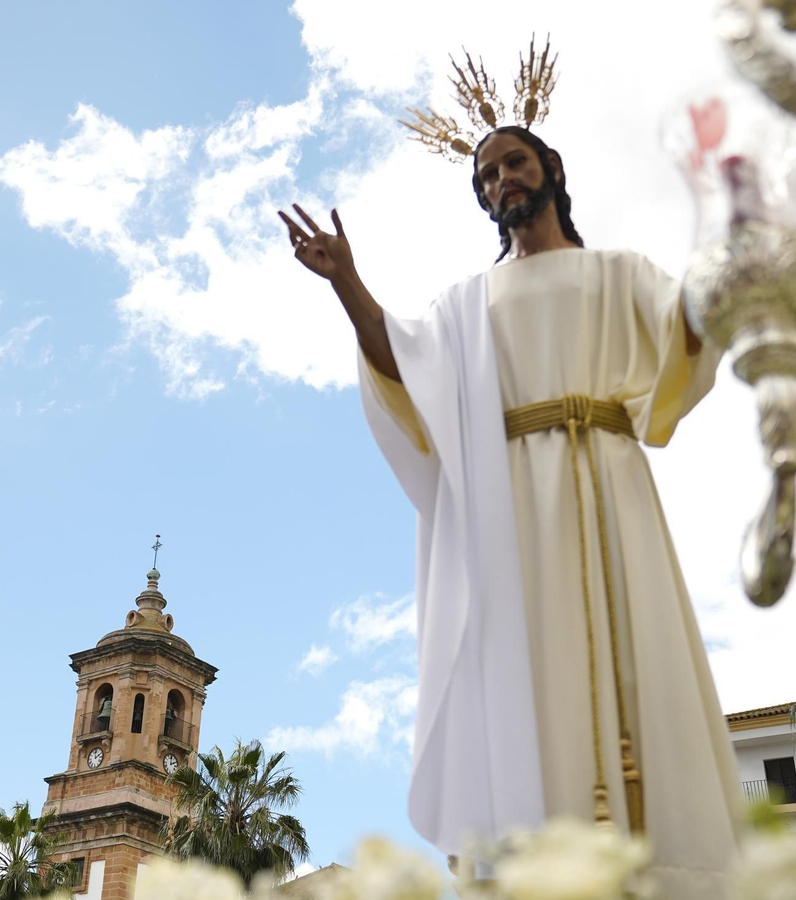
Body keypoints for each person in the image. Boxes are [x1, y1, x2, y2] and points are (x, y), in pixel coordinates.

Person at [279, 125, 741, 896]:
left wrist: (726, 248)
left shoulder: (618, 271)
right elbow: (403, 368)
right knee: (521, 670)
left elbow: (685, 332)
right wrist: (346, 283)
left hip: (610, 483)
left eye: (513, 164)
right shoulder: (468, 306)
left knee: (640, 654)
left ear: (551, 167)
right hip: (508, 509)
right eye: (487, 177)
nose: (501, 183)